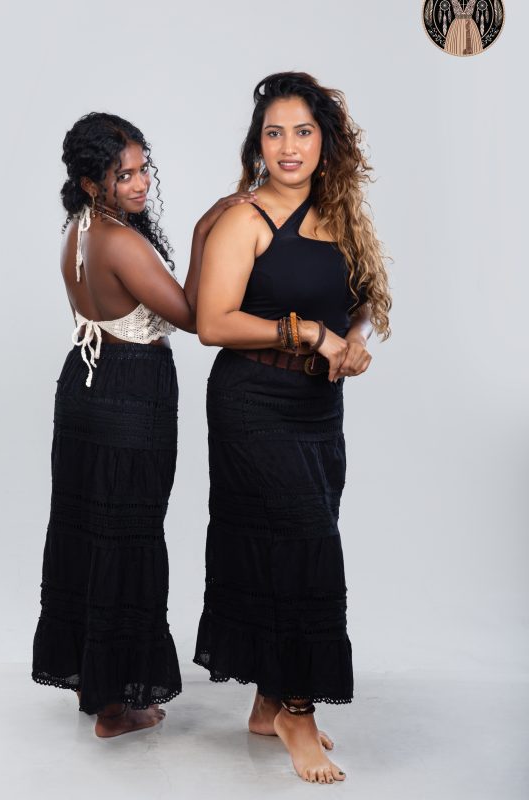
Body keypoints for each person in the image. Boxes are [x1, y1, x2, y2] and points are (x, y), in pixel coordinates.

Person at [194, 73, 391, 782]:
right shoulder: (244, 219)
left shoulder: (340, 212)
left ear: (324, 141)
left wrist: (355, 338)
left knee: (292, 542)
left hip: (317, 409)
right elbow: (213, 323)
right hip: (252, 402)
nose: (288, 146)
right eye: (273, 132)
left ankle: (267, 702)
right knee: (304, 544)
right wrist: (309, 331)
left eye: (302, 131)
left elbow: (362, 300)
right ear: (258, 142)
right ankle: (298, 713)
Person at [32, 112, 255, 738]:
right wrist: (205, 231)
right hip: (129, 392)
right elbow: (192, 314)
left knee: (90, 532)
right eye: (123, 174)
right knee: (127, 538)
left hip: (86, 387)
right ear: (90, 183)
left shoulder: (79, 231)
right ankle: (115, 708)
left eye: (142, 169)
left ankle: (96, 685)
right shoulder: (120, 242)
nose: (140, 183)